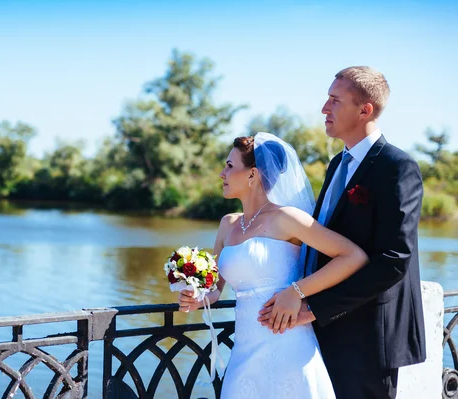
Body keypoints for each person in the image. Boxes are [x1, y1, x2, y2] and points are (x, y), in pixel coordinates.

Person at [259, 66, 426, 399]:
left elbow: (394, 260)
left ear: (365, 110)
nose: (324, 109)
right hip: (325, 330)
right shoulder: (338, 164)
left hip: (368, 337)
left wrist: (316, 307)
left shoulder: (397, 167)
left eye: (334, 100)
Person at [178, 132, 369, 398]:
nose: (222, 173)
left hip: (289, 344)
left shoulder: (287, 218)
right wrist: (196, 297)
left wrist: (297, 291)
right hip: (244, 351)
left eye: (230, 166)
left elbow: (353, 256)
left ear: (252, 174)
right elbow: (214, 290)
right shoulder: (227, 225)